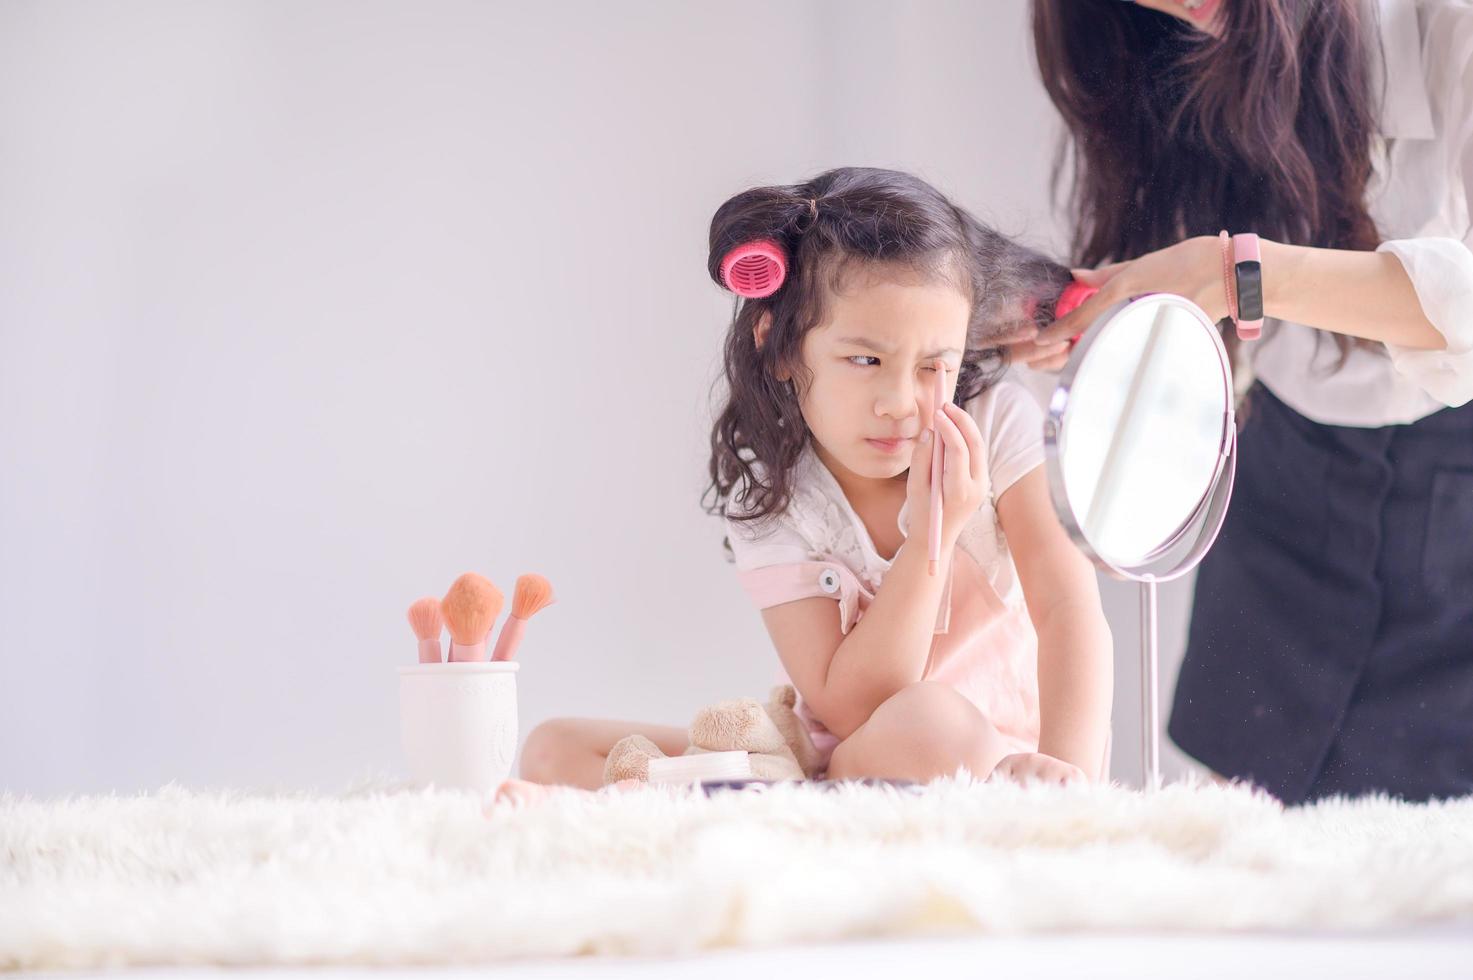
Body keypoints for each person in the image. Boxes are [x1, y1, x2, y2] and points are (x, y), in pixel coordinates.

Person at [512, 167, 1113, 792]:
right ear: (780, 346)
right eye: (864, 360)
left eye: (935, 364)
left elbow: (1068, 608)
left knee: (933, 723)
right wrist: (931, 536)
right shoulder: (778, 499)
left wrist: (1069, 775)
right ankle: (795, 798)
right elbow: (851, 709)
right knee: (555, 750)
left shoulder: (997, 425)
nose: (899, 402)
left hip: (994, 757)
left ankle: (777, 804)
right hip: (843, 755)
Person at [1017, 0, 1473, 803]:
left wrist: (1234, 271)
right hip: (1278, 475)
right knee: (1245, 837)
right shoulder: (1153, 44)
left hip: (1453, 497)